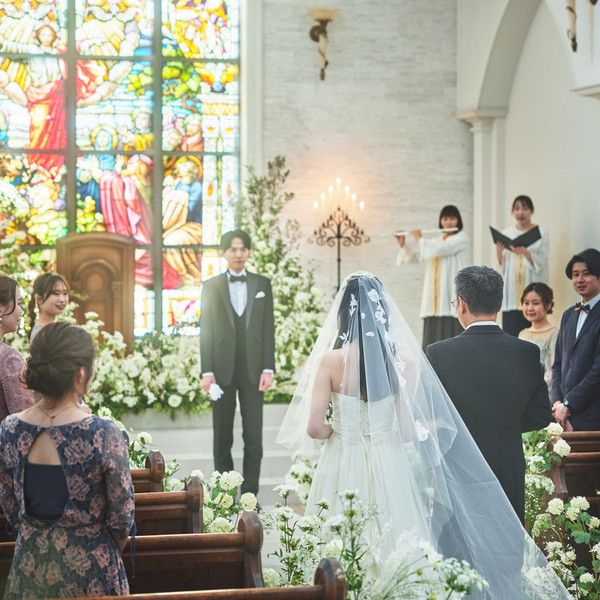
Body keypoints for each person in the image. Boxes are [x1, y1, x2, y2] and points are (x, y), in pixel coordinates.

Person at [277, 272, 568, 599]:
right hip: (393, 462)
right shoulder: (402, 362)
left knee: (339, 538)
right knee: (398, 538)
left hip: (344, 458)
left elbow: (314, 428)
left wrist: (340, 430)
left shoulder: (332, 361)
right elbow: (407, 430)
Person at [0, 322, 135, 598]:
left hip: (30, 566)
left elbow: (11, 508)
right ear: (81, 373)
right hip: (92, 570)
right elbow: (122, 519)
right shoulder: (103, 433)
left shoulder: (10, 429)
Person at [425, 266, 551, 523]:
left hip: (458, 468)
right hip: (507, 466)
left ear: (462, 304)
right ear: (499, 304)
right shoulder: (526, 352)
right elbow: (540, 416)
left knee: (460, 543)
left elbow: (428, 413)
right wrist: (504, 427)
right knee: (506, 538)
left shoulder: (439, 353)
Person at [200, 230, 275, 496]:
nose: (238, 254)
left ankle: (250, 496)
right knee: (222, 436)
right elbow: (206, 329)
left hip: (254, 371)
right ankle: (225, 496)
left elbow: (268, 328)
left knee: (253, 436)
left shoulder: (262, 284)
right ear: (224, 253)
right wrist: (207, 371)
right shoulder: (211, 286)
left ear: (249, 252)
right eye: (233, 249)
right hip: (221, 372)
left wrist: (268, 367)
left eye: (243, 248)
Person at [396, 205, 470, 348]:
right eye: (445, 218)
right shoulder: (435, 242)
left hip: (450, 296)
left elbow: (442, 249)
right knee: (432, 342)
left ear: (458, 220)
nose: (449, 222)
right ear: (441, 221)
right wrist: (403, 245)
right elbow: (417, 257)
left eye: (452, 218)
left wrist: (420, 239)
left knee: (452, 340)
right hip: (433, 300)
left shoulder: (462, 238)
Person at [552, 248, 600, 431]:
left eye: (586, 274)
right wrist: (557, 402)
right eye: (575, 274)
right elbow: (557, 364)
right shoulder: (568, 315)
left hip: (593, 416)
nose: (580, 279)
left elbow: (598, 370)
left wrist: (569, 404)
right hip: (562, 416)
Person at [496, 195, 549, 336]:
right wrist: (499, 253)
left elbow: (542, 262)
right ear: (513, 212)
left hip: (532, 287)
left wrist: (525, 252)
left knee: (533, 334)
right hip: (512, 293)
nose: (520, 212)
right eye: (517, 209)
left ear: (531, 210)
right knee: (511, 335)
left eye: (525, 208)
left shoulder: (541, 232)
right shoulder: (506, 233)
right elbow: (503, 267)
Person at [0, 275, 34, 421]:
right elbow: (26, 415)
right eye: (19, 303)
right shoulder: (8, 358)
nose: (21, 311)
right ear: (1, 309)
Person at [518, 282, 558, 398]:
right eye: (526, 303)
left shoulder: (554, 334)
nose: (530, 308)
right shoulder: (522, 334)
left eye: (535, 303)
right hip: (521, 394)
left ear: (548, 305)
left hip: (543, 396)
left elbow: (552, 372)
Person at [27, 272, 69, 343]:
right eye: (56, 293)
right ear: (39, 299)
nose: (62, 300)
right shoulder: (41, 333)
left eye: (65, 293)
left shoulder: (52, 329)